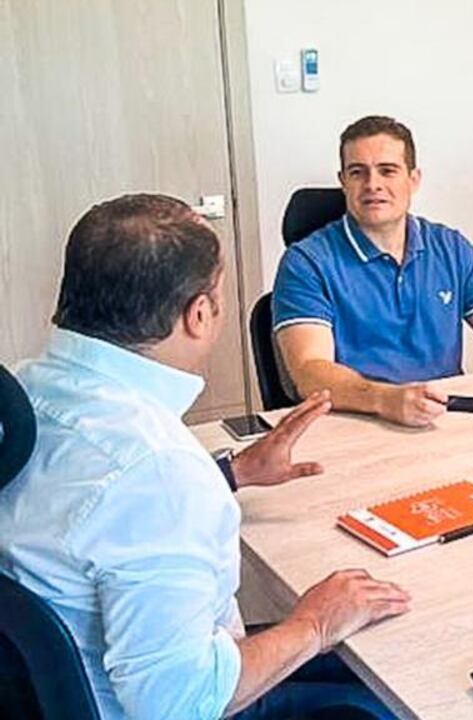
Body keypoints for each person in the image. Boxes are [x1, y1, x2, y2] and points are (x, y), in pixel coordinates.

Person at [0, 194, 410, 719]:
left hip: (48, 693)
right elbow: (180, 703)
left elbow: (93, 512)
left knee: (365, 658)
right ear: (198, 314)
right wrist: (314, 624)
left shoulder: (23, 394)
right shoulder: (159, 471)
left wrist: (232, 473)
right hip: (180, 701)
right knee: (392, 692)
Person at [273, 115, 473, 427]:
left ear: (413, 179)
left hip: (440, 417)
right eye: (357, 172)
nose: (373, 184)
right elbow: (310, 372)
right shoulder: (306, 263)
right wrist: (384, 399)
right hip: (354, 422)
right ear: (343, 181)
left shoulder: (450, 247)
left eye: (387, 171)